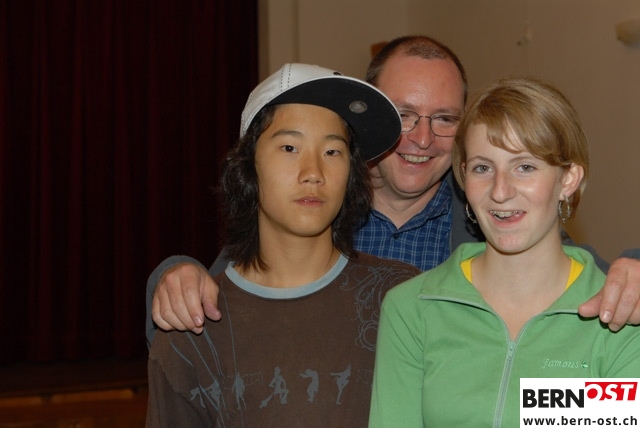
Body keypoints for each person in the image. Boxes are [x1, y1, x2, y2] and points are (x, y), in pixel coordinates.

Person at [146, 35, 640, 346]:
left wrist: (634, 268)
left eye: (444, 119)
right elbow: (227, 291)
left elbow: (580, 276)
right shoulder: (313, 208)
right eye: (403, 115)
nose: (422, 139)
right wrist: (175, 274)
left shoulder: (493, 214)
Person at [145, 63, 421, 427]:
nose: (313, 173)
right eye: (289, 147)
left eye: (333, 152)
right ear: (248, 167)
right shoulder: (193, 327)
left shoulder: (403, 295)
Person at [368, 77, 640, 427]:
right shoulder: (413, 308)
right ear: (464, 178)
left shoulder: (618, 315)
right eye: (482, 168)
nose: (500, 191)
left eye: (524, 167)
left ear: (568, 179)